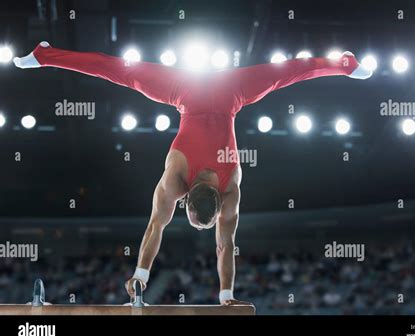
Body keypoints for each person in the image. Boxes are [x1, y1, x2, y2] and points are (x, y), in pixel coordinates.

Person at [14, 42, 371, 305]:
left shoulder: (230, 190)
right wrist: (139, 275)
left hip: (230, 92)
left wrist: (227, 294)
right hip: (187, 90)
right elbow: (159, 227)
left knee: (286, 73)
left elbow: (224, 245)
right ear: (188, 203)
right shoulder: (175, 181)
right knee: (123, 73)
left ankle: (346, 64)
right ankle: (345, 63)